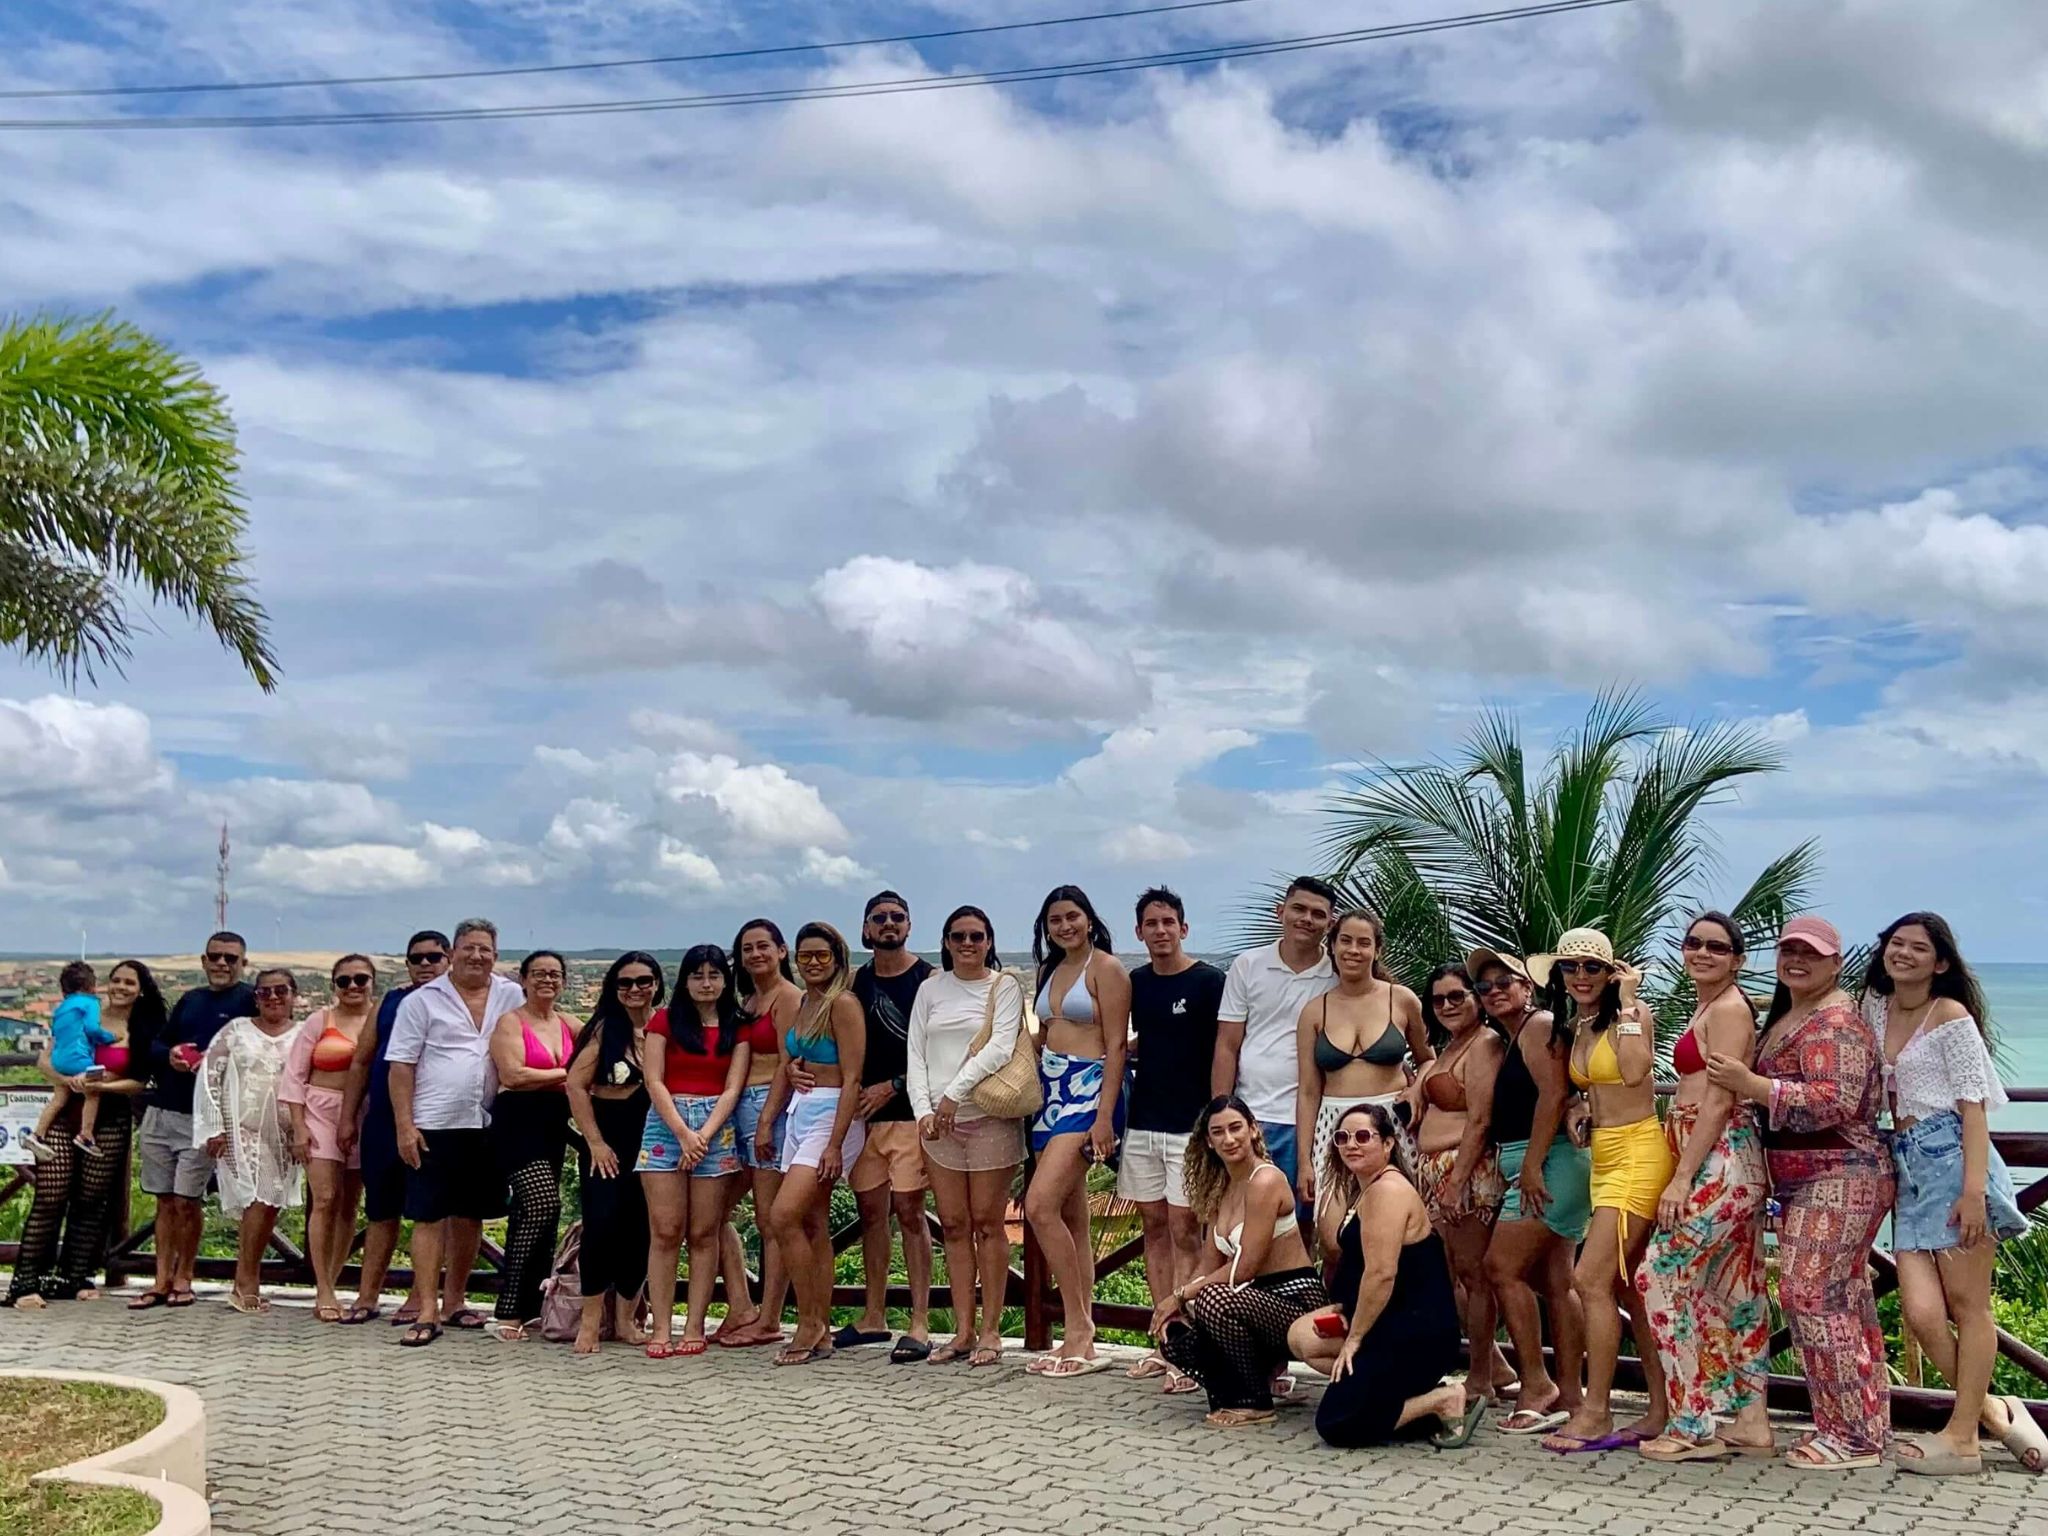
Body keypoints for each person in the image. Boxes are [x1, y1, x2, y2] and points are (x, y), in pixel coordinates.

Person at [1862, 912, 2046, 1477]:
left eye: (1919, 948)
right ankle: (1994, 1412)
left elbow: (1974, 1110)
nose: (1904, 954)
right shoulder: (1874, 1005)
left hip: (1953, 1161)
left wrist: (1973, 1193)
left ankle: (1963, 1436)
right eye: (1897, 944)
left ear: (1940, 962)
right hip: (1907, 1164)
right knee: (1920, 1312)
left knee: (1969, 1308)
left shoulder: (1952, 1017)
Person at [1706, 915, 1890, 1470]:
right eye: (1788, 950)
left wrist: (1753, 1085)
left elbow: (1837, 1100)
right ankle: (1862, 1425)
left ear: (1836, 962)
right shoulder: (1790, 1014)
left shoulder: (1837, 1021)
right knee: (1844, 1300)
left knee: (1811, 1296)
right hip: (1802, 1177)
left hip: (1841, 1172)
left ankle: (1850, 1437)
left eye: (1810, 952)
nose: (1796, 960)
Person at [1635, 913, 1773, 1462]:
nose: (1702, 953)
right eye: (1693, 944)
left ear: (1737, 959)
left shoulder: (1732, 1009)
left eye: (1717, 947)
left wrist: (1683, 1176)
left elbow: (1719, 1099)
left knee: (1658, 1276)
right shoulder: (1711, 1005)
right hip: (1715, 1151)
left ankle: (1693, 1422)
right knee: (1734, 1287)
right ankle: (1753, 1420)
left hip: (1719, 1155)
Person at [1534, 927, 1672, 1454]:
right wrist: (1578, 1108)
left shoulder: (1631, 1018)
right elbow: (1592, 1086)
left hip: (1638, 1154)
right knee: (1627, 1286)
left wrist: (1632, 1002)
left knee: (1588, 1279)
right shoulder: (1581, 1024)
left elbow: (1636, 1073)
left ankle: (1596, 1409)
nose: (1581, 976)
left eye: (1593, 967)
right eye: (1571, 967)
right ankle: (1658, 1409)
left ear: (1611, 973)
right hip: (1605, 1156)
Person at [1289, 1102, 1480, 1448]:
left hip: (1417, 1332)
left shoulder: (1388, 1190)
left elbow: (1381, 1275)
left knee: (1337, 1423)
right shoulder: (1367, 1187)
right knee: (1302, 1337)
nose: (1351, 1144)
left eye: (1363, 1136)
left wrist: (1355, 1338)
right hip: (1387, 1321)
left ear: (1389, 1144)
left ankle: (1442, 1399)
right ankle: (1382, 1390)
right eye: (1342, 1137)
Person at [386, 918, 525, 1346]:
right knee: (428, 1217)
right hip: (433, 1123)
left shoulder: (511, 995)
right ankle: (426, 1310)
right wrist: (404, 1126)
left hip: (487, 1121)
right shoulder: (422, 1001)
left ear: (495, 955)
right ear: (453, 952)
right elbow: (401, 1066)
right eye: (469, 948)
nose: (477, 956)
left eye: (485, 949)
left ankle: (456, 1301)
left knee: (470, 1216)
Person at [1153, 1094, 1327, 1428]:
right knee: (1178, 1333)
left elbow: (1244, 1268)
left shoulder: (1266, 1180)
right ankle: (1248, 1383)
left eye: (1236, 1128)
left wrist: (1180, 1295)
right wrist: (1177, 1305)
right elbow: (1208, 1265)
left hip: (1294, 1299)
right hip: (1251, 1297)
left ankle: (1255, 1403)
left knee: (1211, 1298)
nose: (1229, 1139)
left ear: (1253, 1131)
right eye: (1219, 1132)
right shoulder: (1221, 1187)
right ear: (1208, 1141)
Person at [1472, 945, 1589, 1436]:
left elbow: (1554, 1094)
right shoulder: (1514, 1035)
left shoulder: (1538, 1025)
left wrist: (1536, 1165)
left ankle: (1535, 1382)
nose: (1495, 991)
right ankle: (1571, 1392)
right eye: (1485, 986)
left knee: (1500, 1267)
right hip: (1542, 1160)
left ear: (1529, 986)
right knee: (1558, 1281)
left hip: (1549, 1161)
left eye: (1506, 982)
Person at [908, 905, 1027, 1368]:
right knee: (953, 1227)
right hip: (938, 1125)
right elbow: (915, 1052)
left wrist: (952, 1097)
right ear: (946, 940)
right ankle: (962, 1330)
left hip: (988, 1117)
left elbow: (1000, 1046)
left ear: (990, 941)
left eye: (977, 936)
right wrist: (924, 1112)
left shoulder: (1004, 987)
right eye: (958, 936)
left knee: (988, 1224)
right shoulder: (930, 989)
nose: (968, 944)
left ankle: (992, 1331)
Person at [1022, 883, 1131, 1376]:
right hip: (1047, 1091)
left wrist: (1105, 1117)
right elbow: (1043, 1034)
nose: (1064, 926)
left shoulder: (1106, 969)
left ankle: (1078, 1328)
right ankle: (1083, 1335)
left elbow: (1116, 1047)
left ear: (1088, 919)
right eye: (1055, 920)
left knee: (1038, 1205)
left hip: (1087, 1092)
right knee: (1071, 1216)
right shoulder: (1049, 969)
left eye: (1072, 917)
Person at [1120, 887, 1225, 1394]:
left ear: (1184, 929)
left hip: (1192, 1125)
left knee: (1188, 1231)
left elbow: (1226, 1046)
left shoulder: (1209, 982)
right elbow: (1146, 1040)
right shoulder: (1136, 982)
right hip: (1144, 1121)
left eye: (1169, 922)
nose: (1160, 931)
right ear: (1138, 931)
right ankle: (1163, 1342)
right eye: (1151, 923)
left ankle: (1191, 1343)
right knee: (1154, 1227)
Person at [6, 960, 157, 1308]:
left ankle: (74, 1276)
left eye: (129, 983)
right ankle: (26, 1282)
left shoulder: (143, 1027)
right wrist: (68, 1082)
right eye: (115, 980)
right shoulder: (83, 1010)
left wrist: (103, 1087)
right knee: (50, 1196)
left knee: (91, 1201)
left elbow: (140, 1081)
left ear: (141, 988)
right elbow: (44, 1060)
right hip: (65, 1114)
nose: (120, 987)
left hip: (110, 1116)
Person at [756, 921, 867, 1366]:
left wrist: (836, 1145)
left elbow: (853, 1077)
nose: (814, 963)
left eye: (822, 955)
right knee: (813, 1226)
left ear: (837, 958)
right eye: (806, 956)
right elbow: (791, 1063)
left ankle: (808, 1321)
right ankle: (819, 1326)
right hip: (800, 1113)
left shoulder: (842, 1004)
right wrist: (772, 1113)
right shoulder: (805, 1003)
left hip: (832, 1117)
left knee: (783, 1216)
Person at [1404, 962, 1511, 1406]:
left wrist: (1458, 1180)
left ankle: (1483, 1376)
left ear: (1475, 998)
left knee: (1474, 1273)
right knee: (1446, 1274)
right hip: (1433, 1170)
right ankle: (1493, 1366)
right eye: (1438, 999)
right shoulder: (1448, 1048)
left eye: (1456, 996)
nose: (1446, 1005)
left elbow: (1482, 1118)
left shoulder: (1484, 1044)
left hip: (1464, 1170)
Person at [639, 945, 750, 1358]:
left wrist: (702, 1134)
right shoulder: (664, 1021)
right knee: (666, 1231)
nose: (707, 984)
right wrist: (684, 1134)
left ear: (725, 980)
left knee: (705, 1232)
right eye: (698, 976)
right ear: (684, 980)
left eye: (714, 975)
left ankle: (696, 1324)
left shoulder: (736, 1026)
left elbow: (733, 1088)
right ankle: (662, 1327)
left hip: (715, 1128)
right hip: (666, 1125)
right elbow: (655, 1081)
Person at [841, 891, 938, 1363]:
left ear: (909, 925)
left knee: (912, 1216)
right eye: (878, 918)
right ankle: (874, 1314)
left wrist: (894, 1085)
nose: (888, 924)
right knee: (872, 1217)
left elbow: (938, 1053)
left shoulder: (929, 981)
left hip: (909, 1116)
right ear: (865, 929)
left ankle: (920, 1322)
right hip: (864, 1121)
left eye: (897, 917)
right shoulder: (855, 983)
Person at [337, 930, 448, 1325]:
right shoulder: (390, 1001)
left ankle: (420, 1299)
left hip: (436, 1123)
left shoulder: (460, 1002)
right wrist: (349, 1117)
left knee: (428, 1214)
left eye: (433, 957)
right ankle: (367, 1297)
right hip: (384, 1121)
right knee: (381, 1211)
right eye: (416, 958)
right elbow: (362, 1062)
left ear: (447, 959)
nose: (424, 964)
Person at [140, 930, 254, 1309]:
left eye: (230, 958)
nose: (222, 963)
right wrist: (171, 1053)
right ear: (203, 961)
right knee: (165, 1201)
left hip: (204, 1118)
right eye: (215, 956)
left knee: (188, 1201)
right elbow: (157, 1044)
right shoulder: (190, 999)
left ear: (243, 963)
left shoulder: (250, 1001)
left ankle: (185, 1276)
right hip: (163, 1110)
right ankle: (160, 1279)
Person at [1296, 910, 1429, 1208]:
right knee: (1332, 1234)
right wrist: (1304, 1160)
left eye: (1363, 943)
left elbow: (1428, 1060)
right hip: (1334, 1124)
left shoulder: (1403, 999)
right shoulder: (1315, 1011)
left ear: (1377, 950)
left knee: (1396, 1216)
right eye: (1345, 941)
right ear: (1331, 946)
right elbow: (1307, 1091)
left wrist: (1418, 1087)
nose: (1353, 950)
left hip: (1392, 1122)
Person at [1213, 876, 1337, 1193]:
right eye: (1299, 909)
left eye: (1318, 914)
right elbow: (1227, 1046)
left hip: (1310, 1120)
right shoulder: (1247, 965)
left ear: (1330, 922)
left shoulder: (1338, 976)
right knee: (1239, 1216)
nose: (1307, 919)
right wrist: (1220, 1115)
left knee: (1302, 1219)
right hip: (1249, 1116)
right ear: (1280, 911)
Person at [564, 951, 661, 1354]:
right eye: (625, 982)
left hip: (654, 1140)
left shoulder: (665, 1027)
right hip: (608, 1143)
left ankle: (625, 1319)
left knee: (642, 1228)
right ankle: (590, 1321)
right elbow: (574, 1085)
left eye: (643, 981)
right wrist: (595, 1142)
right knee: (601, 1225)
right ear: (613, 987)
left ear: (657, 983)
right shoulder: (606, 1030)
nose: (635, 989)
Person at [195, 967, 305, 1316]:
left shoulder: (304, 1034)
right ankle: (245, 1282)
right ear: (255, 997)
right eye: (265, 992)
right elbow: (210, 1076)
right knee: (258, 1199)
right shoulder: (236, 1031)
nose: (273, 997)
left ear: (294, 995)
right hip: (241, 1130)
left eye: (281, 991)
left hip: (286, 1135)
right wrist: (214, 1127)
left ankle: (245, 1278)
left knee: (270, 1206)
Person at [713, 918, 802, 1348]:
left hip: (770, 1108)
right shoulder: (748, 1000)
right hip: (738, 1111)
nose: (755, 955)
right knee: (711, 1214)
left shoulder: (788, 998)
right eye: (747, 948)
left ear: (782, 951)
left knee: (771, 1221)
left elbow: (790, 1062)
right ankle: (742, 1304)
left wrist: (768, 1119)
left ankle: (769, 1318)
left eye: (763, 946)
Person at [279, 955, 377, 1324]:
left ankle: (333, 1280)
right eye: (344, 981)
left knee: (350, 1203)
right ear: (333, 985)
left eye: (360, 979)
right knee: (324, 1198)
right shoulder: (320, 1021)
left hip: (366, 1114)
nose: (353, 987)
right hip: (320, 1109)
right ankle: (322, 1287)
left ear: (372, 982)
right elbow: (294, 1076)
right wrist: (298, 1127)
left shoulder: (381, 1020)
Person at [486, 949, 578, 1341]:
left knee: (534, 1215)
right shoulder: (510, 1022)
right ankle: (507, 1309)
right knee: (543, 1203)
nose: (547, 980)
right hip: (517, 1122)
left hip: (553, 1126)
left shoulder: (568, 1023)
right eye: (539, 973)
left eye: (555, 974)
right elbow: (513, 1074)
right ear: (523, 979)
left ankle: (531, 1307)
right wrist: (570, 1073)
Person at [27, 961, 115, 1159]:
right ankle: (86, 1135)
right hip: (80, 1060)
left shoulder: (60, 1008)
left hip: (59, 1061)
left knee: (58, 1099)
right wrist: (108, 1038)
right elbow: (92, 1029)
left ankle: (37, 1134)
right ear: (92, 986)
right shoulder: (91, 1003)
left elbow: (57, 1035)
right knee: (93, 1093)